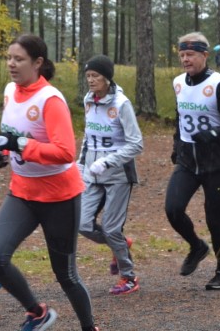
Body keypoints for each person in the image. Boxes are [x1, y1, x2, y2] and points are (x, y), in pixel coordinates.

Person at [0, 34, 98, 331]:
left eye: (18, 59)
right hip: (22, 193)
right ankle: (38, 313)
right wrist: (2, 154)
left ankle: (89, 328)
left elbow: (65, 152)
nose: (11, 64)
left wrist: (21, 145)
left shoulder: (50, 99)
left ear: (37, 63)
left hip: (60, 197)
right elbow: (12, 138)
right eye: (9, 58)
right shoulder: (10, 91)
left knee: (66, 275)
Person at [165, 32, 220, 290]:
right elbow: (180, 118)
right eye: (182, 55)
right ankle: (197, 246)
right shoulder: (178, 83)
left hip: (217, 163)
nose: (185, 59)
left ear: (204, 55)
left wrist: (211, 135)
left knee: (214, 220)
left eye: (191, 54)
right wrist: (177, 146)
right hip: (188, 160)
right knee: (173, 209)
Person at [78, 55, 143, 296]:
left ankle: (128, 277)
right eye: (88, 76)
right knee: (82, 224)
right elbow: (89, 136)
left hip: (118, 175)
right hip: (92, 174)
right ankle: (121, 245)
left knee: (111, 229)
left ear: (106, 78)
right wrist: (80, 163)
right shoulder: (88, 100)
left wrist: (107, 161)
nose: (91, 80)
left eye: (95, 76)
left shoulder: (121, 104)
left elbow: (136, 144)